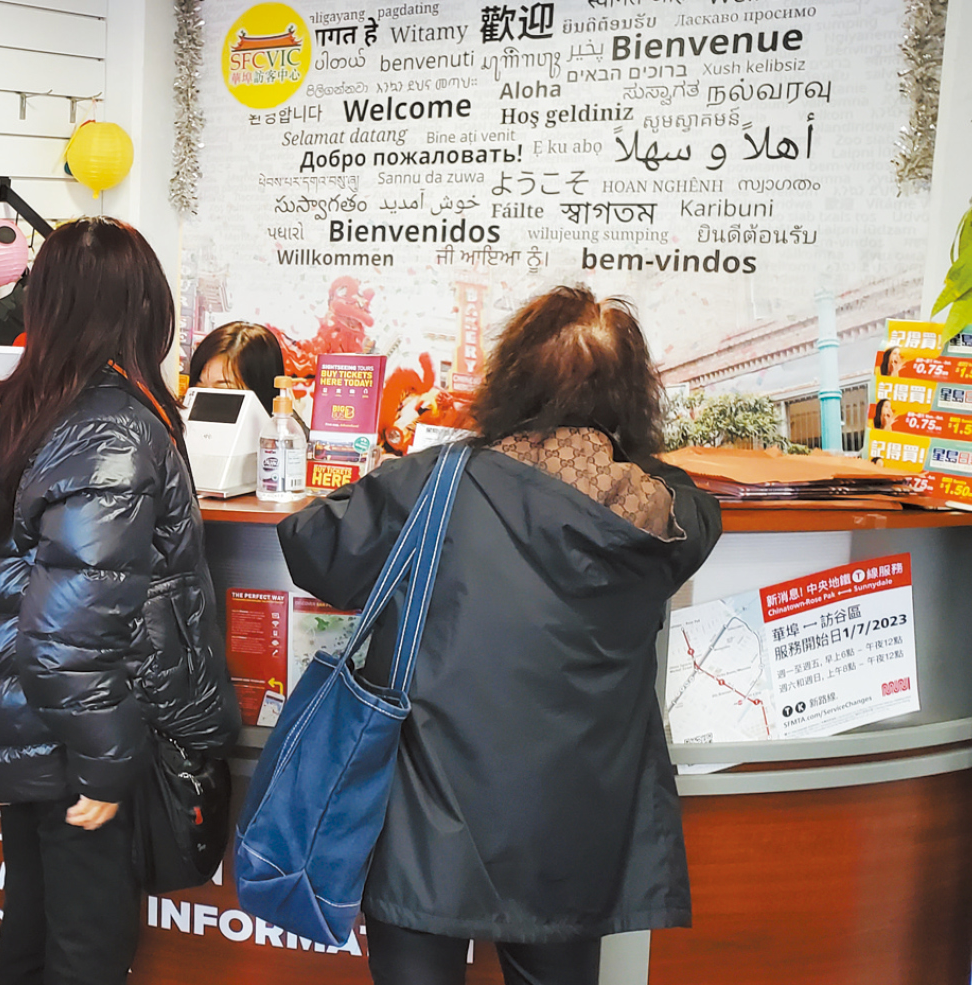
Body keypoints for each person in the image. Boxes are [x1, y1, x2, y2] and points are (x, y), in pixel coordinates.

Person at [277, 286, 722, 985]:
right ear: (632, 396)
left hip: (425, 821)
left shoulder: (432, 483)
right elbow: (692, 506)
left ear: (512, 380)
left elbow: (310, 547)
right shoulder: (665, 512)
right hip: (572, 831)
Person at [0, 217, 240, 985]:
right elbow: (71, 629)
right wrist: (102, 763)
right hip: (74, 737)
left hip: (23, 725)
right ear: (142, 307)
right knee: (85, 949)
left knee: (31, 928)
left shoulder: (17, 406)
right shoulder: (111, 429)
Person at [186, 321, 290, 412]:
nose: (205, 401)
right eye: (200, 388)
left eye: (222, 389)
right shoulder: (185, 425)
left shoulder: (284, 427)